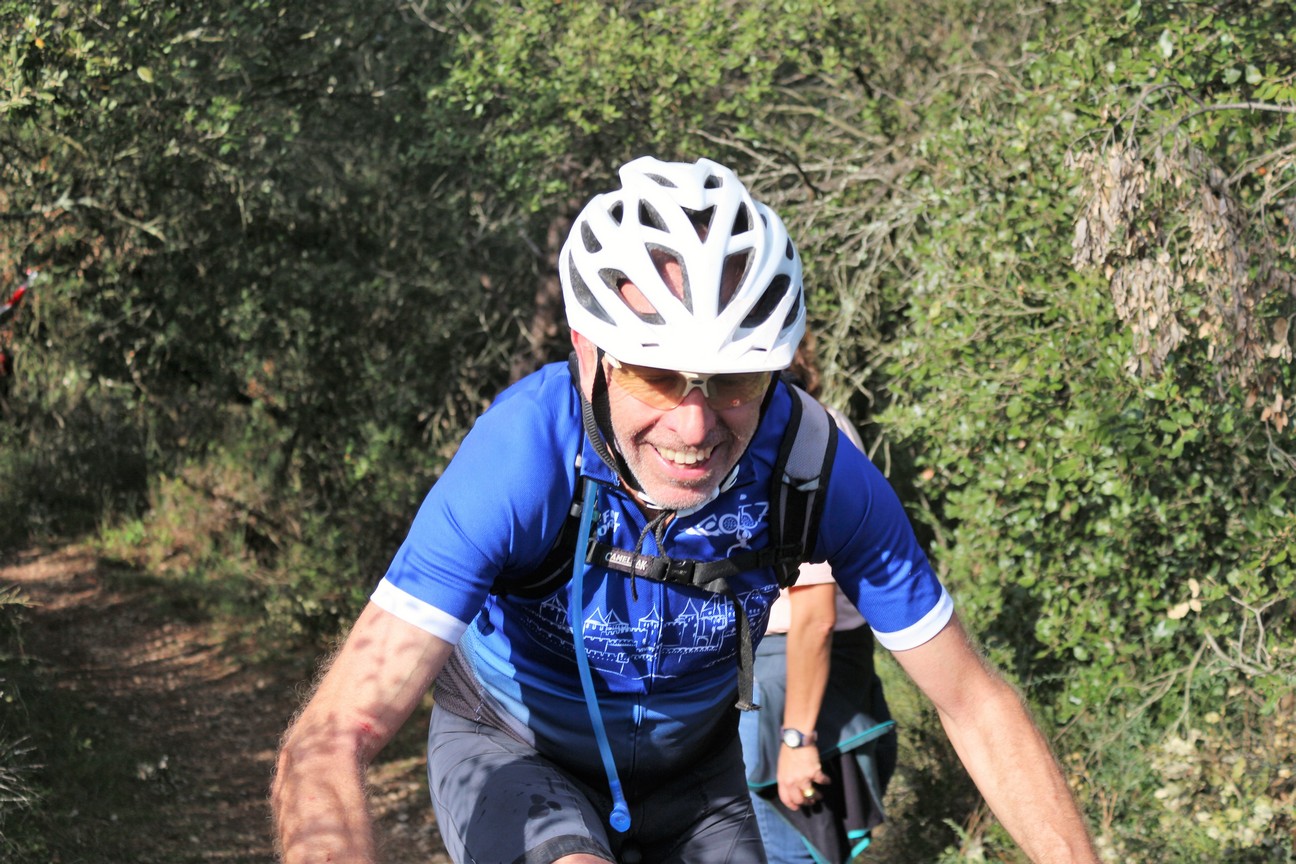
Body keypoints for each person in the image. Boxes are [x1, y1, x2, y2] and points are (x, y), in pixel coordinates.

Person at [271, 156, 1101, 864]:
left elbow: (975, 703)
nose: (695, 427)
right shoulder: (523, 458)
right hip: (516, 747)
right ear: (587, 350)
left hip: (696, 774)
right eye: (654, 374)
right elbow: (331, 735)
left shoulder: (813, 468)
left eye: (735, 380)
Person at [738, 380, 897, 864]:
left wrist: (796, 738)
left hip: (789, 682)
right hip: (832, 670)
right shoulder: (825, 423)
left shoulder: (794, 437)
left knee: (785, 853)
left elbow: (815, 613)